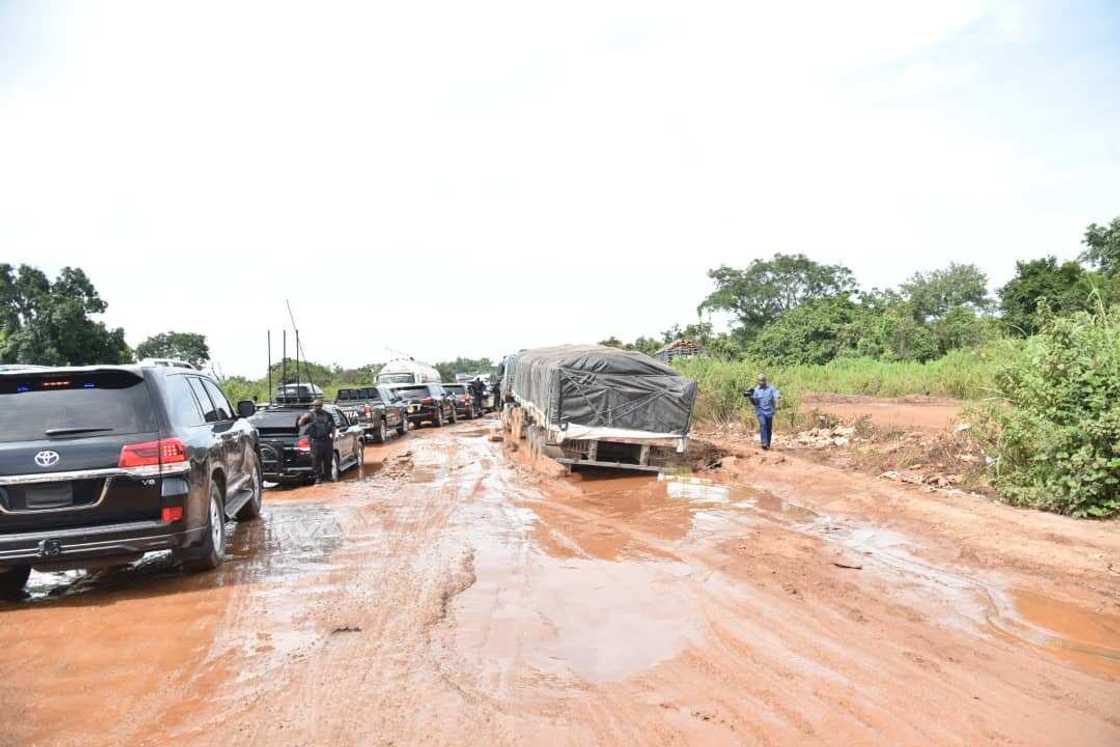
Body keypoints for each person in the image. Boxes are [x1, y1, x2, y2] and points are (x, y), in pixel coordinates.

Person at [298, 399, 336, 483]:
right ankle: (318, 478)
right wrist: (304, 417)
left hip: (326, 440)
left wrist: (333, 437)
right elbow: (300, 424)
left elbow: (333, 426)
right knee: (316, 460)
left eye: (318, 405)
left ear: (321, 406)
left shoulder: (328, 415)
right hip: (315, 441)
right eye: (314, 405)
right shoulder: (310, 415)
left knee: (328, 460)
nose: (316, 407)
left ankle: (328, 476)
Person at [744, 374, 780, 450]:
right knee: (763, 425)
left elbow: (776, 396)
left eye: (762, 381)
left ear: (765, 381)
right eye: (759, 381)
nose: (761, 382)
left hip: (769, 412)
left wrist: (777, 405)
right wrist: (750, 397)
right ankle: (764, 442)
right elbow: (755, 403)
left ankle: (768, 445)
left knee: (769, 428)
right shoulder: (756, 390)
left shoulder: (771, 389)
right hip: (760, 411)